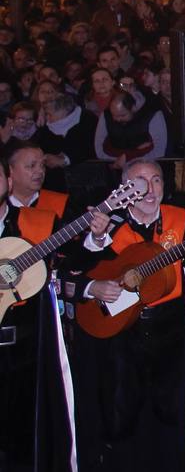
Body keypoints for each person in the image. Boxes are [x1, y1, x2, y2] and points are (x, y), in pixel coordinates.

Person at [64, 159, 185, 470]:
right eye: (139, 182)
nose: (149, 189)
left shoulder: (181, 220)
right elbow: (71, 271)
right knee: (123, 412)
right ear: (123, 189)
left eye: (157, 180)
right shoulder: (108, 223)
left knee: (172, 410)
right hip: (121, 335)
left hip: (170, 330)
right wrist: (94, 285)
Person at [0, 158, 60, 470]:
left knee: (24, 431)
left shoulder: (35, 224)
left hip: (23, 348)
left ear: (7, 183)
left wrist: (98, 233)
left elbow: (78, 260)